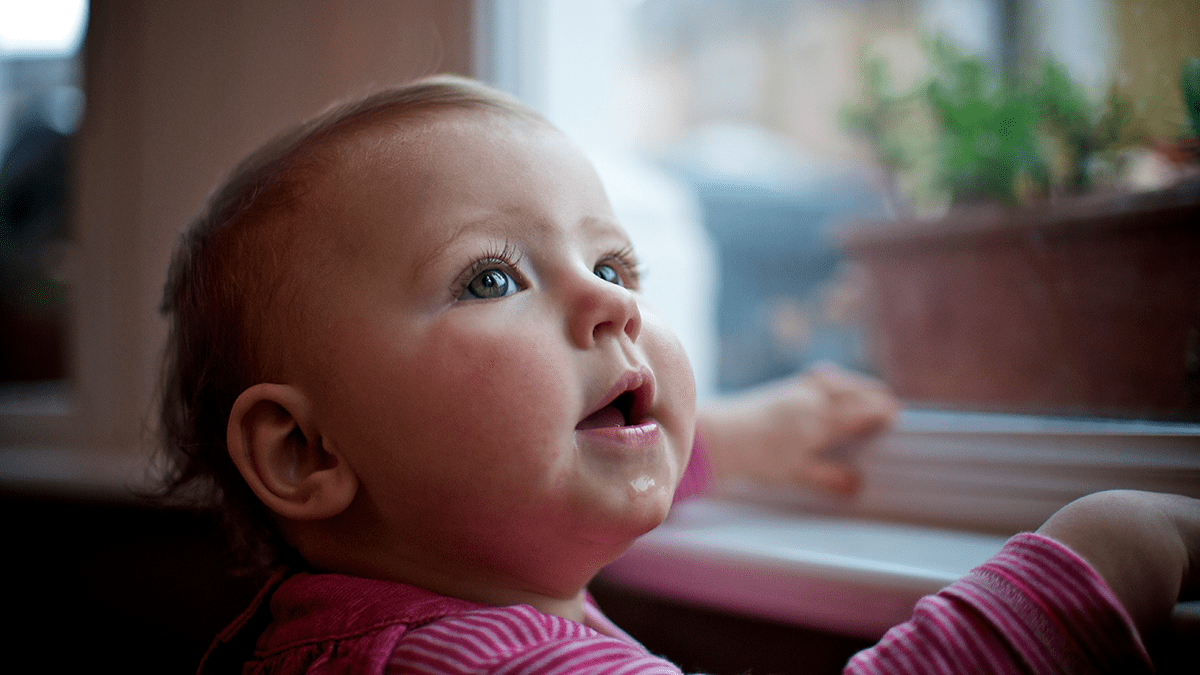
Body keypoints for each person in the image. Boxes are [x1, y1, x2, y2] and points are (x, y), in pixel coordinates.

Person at [158, 75, 1194, 674]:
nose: (614, 304)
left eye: (612, 266)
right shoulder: (508, 668)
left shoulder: (322, 638)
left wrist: (724, 439)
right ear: (304, 449)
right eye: (491, 279)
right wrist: (1098, 556)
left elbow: (533, 450)